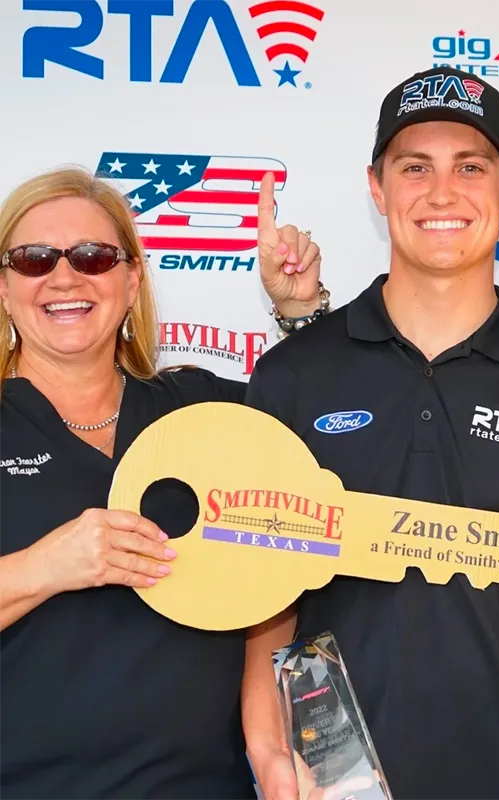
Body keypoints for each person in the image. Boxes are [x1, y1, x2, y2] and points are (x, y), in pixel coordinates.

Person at [241, 66, 499, 800]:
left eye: (470, 167)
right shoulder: (292, 377)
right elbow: (264, 596)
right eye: (415, 167)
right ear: (377, 189)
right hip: (331, 783)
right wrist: (269, 755)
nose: (442, 193)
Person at [0, 165, 322, 798]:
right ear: (6, 286)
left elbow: (337, 433)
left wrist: (299, 313)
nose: (65, 276)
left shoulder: (199, 408)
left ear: (131, 279)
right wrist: (46, 565)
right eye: (35, 259)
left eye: (93, 256)